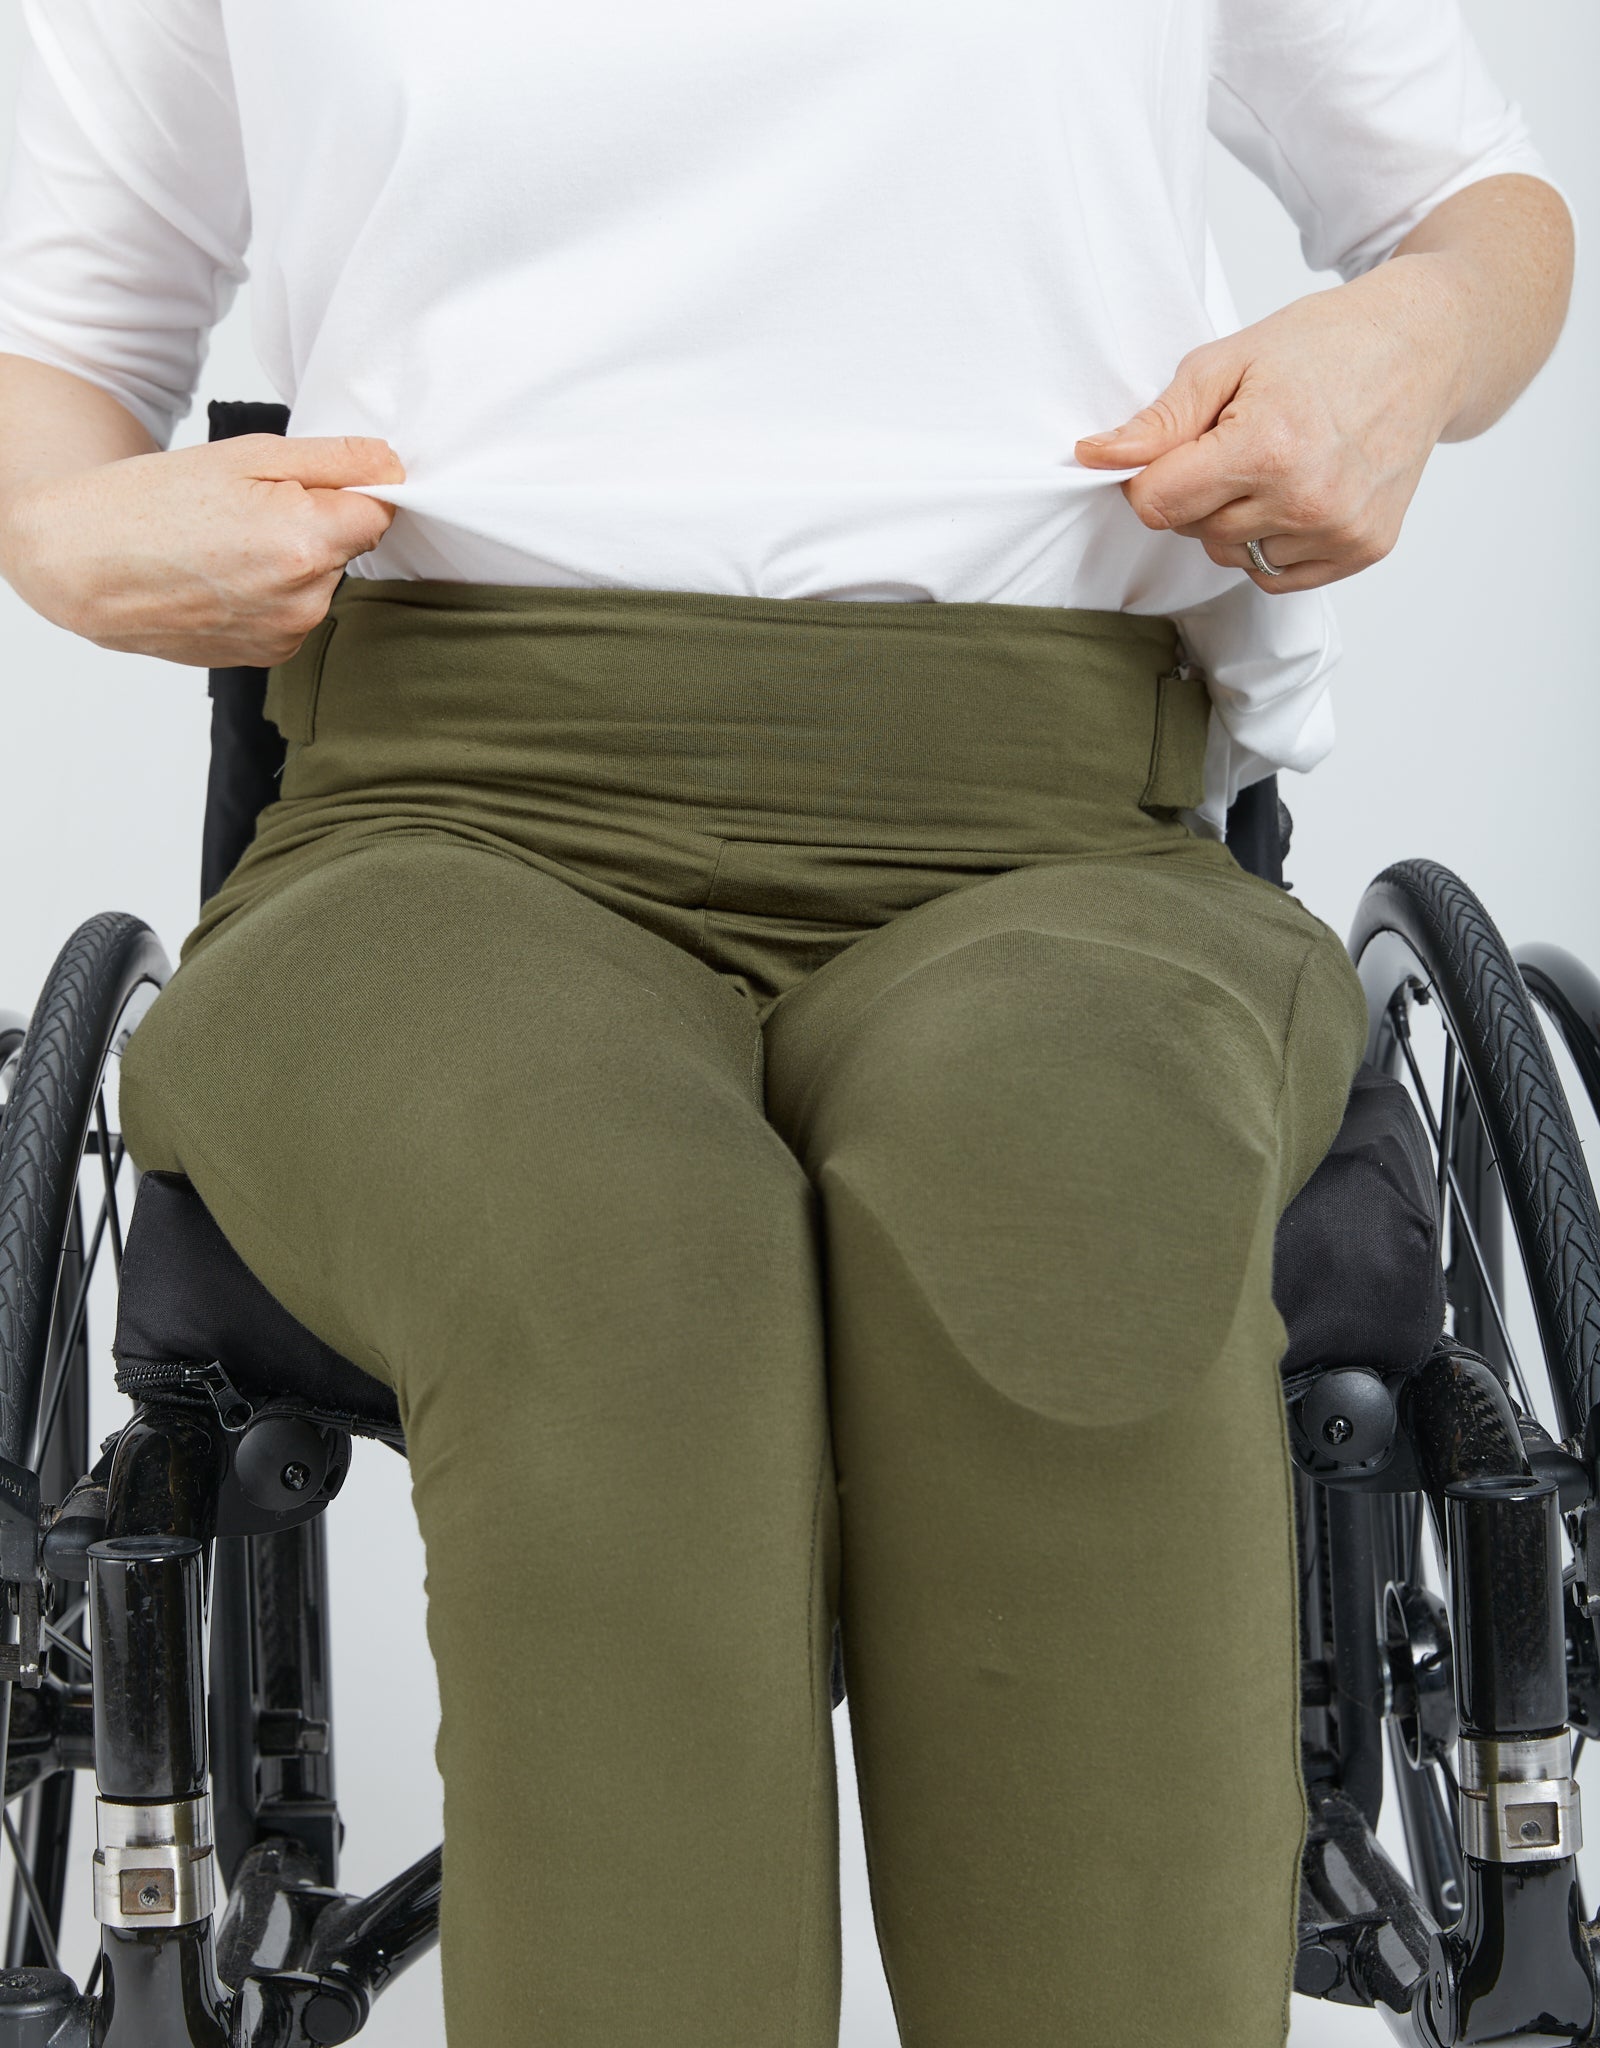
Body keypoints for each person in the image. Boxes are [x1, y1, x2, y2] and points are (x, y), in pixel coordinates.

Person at [0, 3, 1575, 2043]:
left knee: (1063, 1223)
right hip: (443, 819)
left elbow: (1482, 210)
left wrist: (1406, 348)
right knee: (614, 1259)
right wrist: (62, 526)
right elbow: (67, 341)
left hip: (1058, 832)